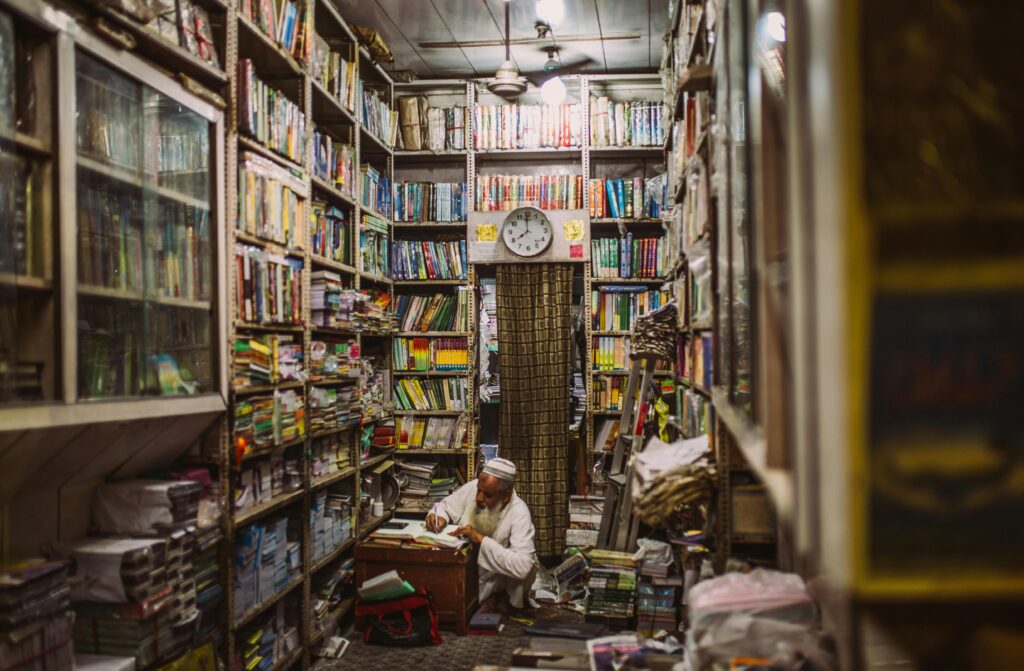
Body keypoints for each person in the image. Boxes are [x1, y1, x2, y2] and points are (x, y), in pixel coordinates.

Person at [425, 457, 537, 612]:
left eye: (488, 495)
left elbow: (523, 566)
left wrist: (480, 539)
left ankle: (500, 597)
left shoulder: (519, 513)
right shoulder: (474, 488)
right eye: (479, 490)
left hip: (495, 578)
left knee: (530, 565)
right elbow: (444, 506)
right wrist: (439, 516)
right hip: (463, 569)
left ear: (505, 496)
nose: (478, 498)